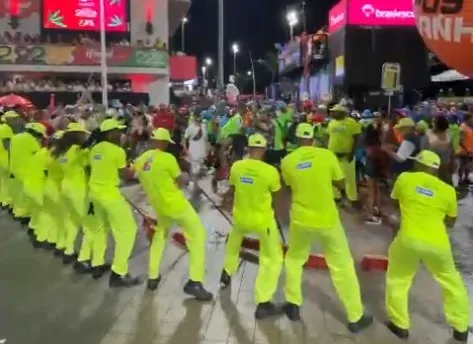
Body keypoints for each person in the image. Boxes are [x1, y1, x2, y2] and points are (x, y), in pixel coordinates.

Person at [281, 123, 372, 332]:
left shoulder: (287, 161)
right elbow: (340, 183)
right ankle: (355, 316)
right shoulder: (327, 156)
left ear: (296, 139)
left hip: (301, 220)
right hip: (327, 220)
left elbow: (288, 187)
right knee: (342, 266)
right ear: (313, 138)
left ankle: (293, 305)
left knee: (294, 260)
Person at [386, 150, 469, 342]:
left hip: (408, 240)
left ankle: (400, 325)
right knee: (452, 282)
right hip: (437, 244)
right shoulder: (448, 190)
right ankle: (461, 328)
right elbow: (450, 222)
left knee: (399, 279)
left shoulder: (405, 179)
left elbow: (394, 201)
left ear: (419, 165)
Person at [133, 128, 213, 300]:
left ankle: (153, 276)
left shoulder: (140, 160)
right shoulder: (167, 158)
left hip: (159, 206)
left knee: (160, 235)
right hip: (176, 205)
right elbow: (181, 180)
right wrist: (185, 175)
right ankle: (195, 282)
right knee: (198, 235)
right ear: (162, 142)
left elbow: (132, 173)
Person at [220, 133, 284, 319]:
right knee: (272, 258)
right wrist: (277, 215)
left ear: (248, 148)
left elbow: (232, 189)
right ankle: (263, 302)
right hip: (262, 220)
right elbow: (277, 196)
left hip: (240, 217)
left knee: (233, 243)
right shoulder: (270, 171)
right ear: (263, 150)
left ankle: (226, 272)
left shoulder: (237, 167)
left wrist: (226, 200)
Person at [88, 118, 139, 287]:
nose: (121, 134)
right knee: (128, 230)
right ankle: (119, 273)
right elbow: (127, 175)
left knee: (100, 229)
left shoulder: (94, 149)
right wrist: (134, 167)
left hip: (94, 195)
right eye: (118, 131)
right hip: (110, 196)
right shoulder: (117, 151)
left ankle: (97, 264)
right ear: (110, 134)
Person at [327, 104, 361, 206]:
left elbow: (357, 138)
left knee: (349, 178)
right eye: (332, 111)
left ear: (342, 112)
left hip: (347, 156)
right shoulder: (331, 123)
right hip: (333, 155)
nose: (332, 113)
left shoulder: (351, 122)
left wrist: (352, 152)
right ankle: (336, 196)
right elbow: (329, 137)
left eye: (334, 111)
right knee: (334, 177)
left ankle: (352, 198)